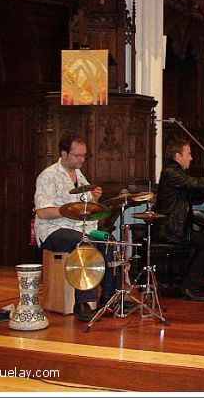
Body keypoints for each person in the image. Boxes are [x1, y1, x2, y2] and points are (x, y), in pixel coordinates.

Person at [34, 134, 118, 322]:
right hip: (53, 229)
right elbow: (42, 212)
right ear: (63, 153)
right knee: (84, 243)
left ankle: (109, 298)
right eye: (77, 156)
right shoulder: (48, 176)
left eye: (83, 156)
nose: (81, 159)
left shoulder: (80, 176)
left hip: (80, 227)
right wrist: (69, 211)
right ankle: (83, 303)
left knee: (109, 242)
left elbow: (86, 208)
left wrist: (94, 199)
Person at [154, 138, 204, 302]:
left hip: (175, 226)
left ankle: (188, 282)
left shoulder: (175, 171)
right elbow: (196, 184)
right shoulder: (171, 172)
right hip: (171, 229)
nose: (191, 158)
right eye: (188, 154)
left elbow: (195, 191)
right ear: (178, 156)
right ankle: (189, 286)